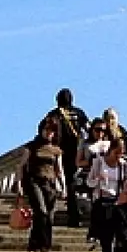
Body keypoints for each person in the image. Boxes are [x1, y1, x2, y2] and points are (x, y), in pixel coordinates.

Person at [42, 89, 90, 225]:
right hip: (75, 152)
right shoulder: (79, 113)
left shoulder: (53, 114)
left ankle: (52, 214)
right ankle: (73, 216)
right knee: (71, 183)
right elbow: (88, 128)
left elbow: (42, 129)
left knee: (56, 182)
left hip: (57, 151)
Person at [21, 116, 66, 252]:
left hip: (50, 184)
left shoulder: (56, 150)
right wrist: (19, 185)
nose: (48, 133)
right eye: (46, 130)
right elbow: (21, 166)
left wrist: (63, 187)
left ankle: (44, 247)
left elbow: (59, 170)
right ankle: (37, 246)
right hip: (35, 181)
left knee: (48, 218)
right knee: (41, 211)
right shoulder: (32, 147)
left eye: (52, 131)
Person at [86, 136, 127, 252]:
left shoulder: (123, 165)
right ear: (110, 150)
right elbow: (89, 182)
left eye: (121, 153)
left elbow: (126, 183)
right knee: (106, 234)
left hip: (118, 201)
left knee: (122, 233)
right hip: (103, 200)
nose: (118, 156)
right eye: (116, 152)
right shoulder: (99, 162)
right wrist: (97, 180)